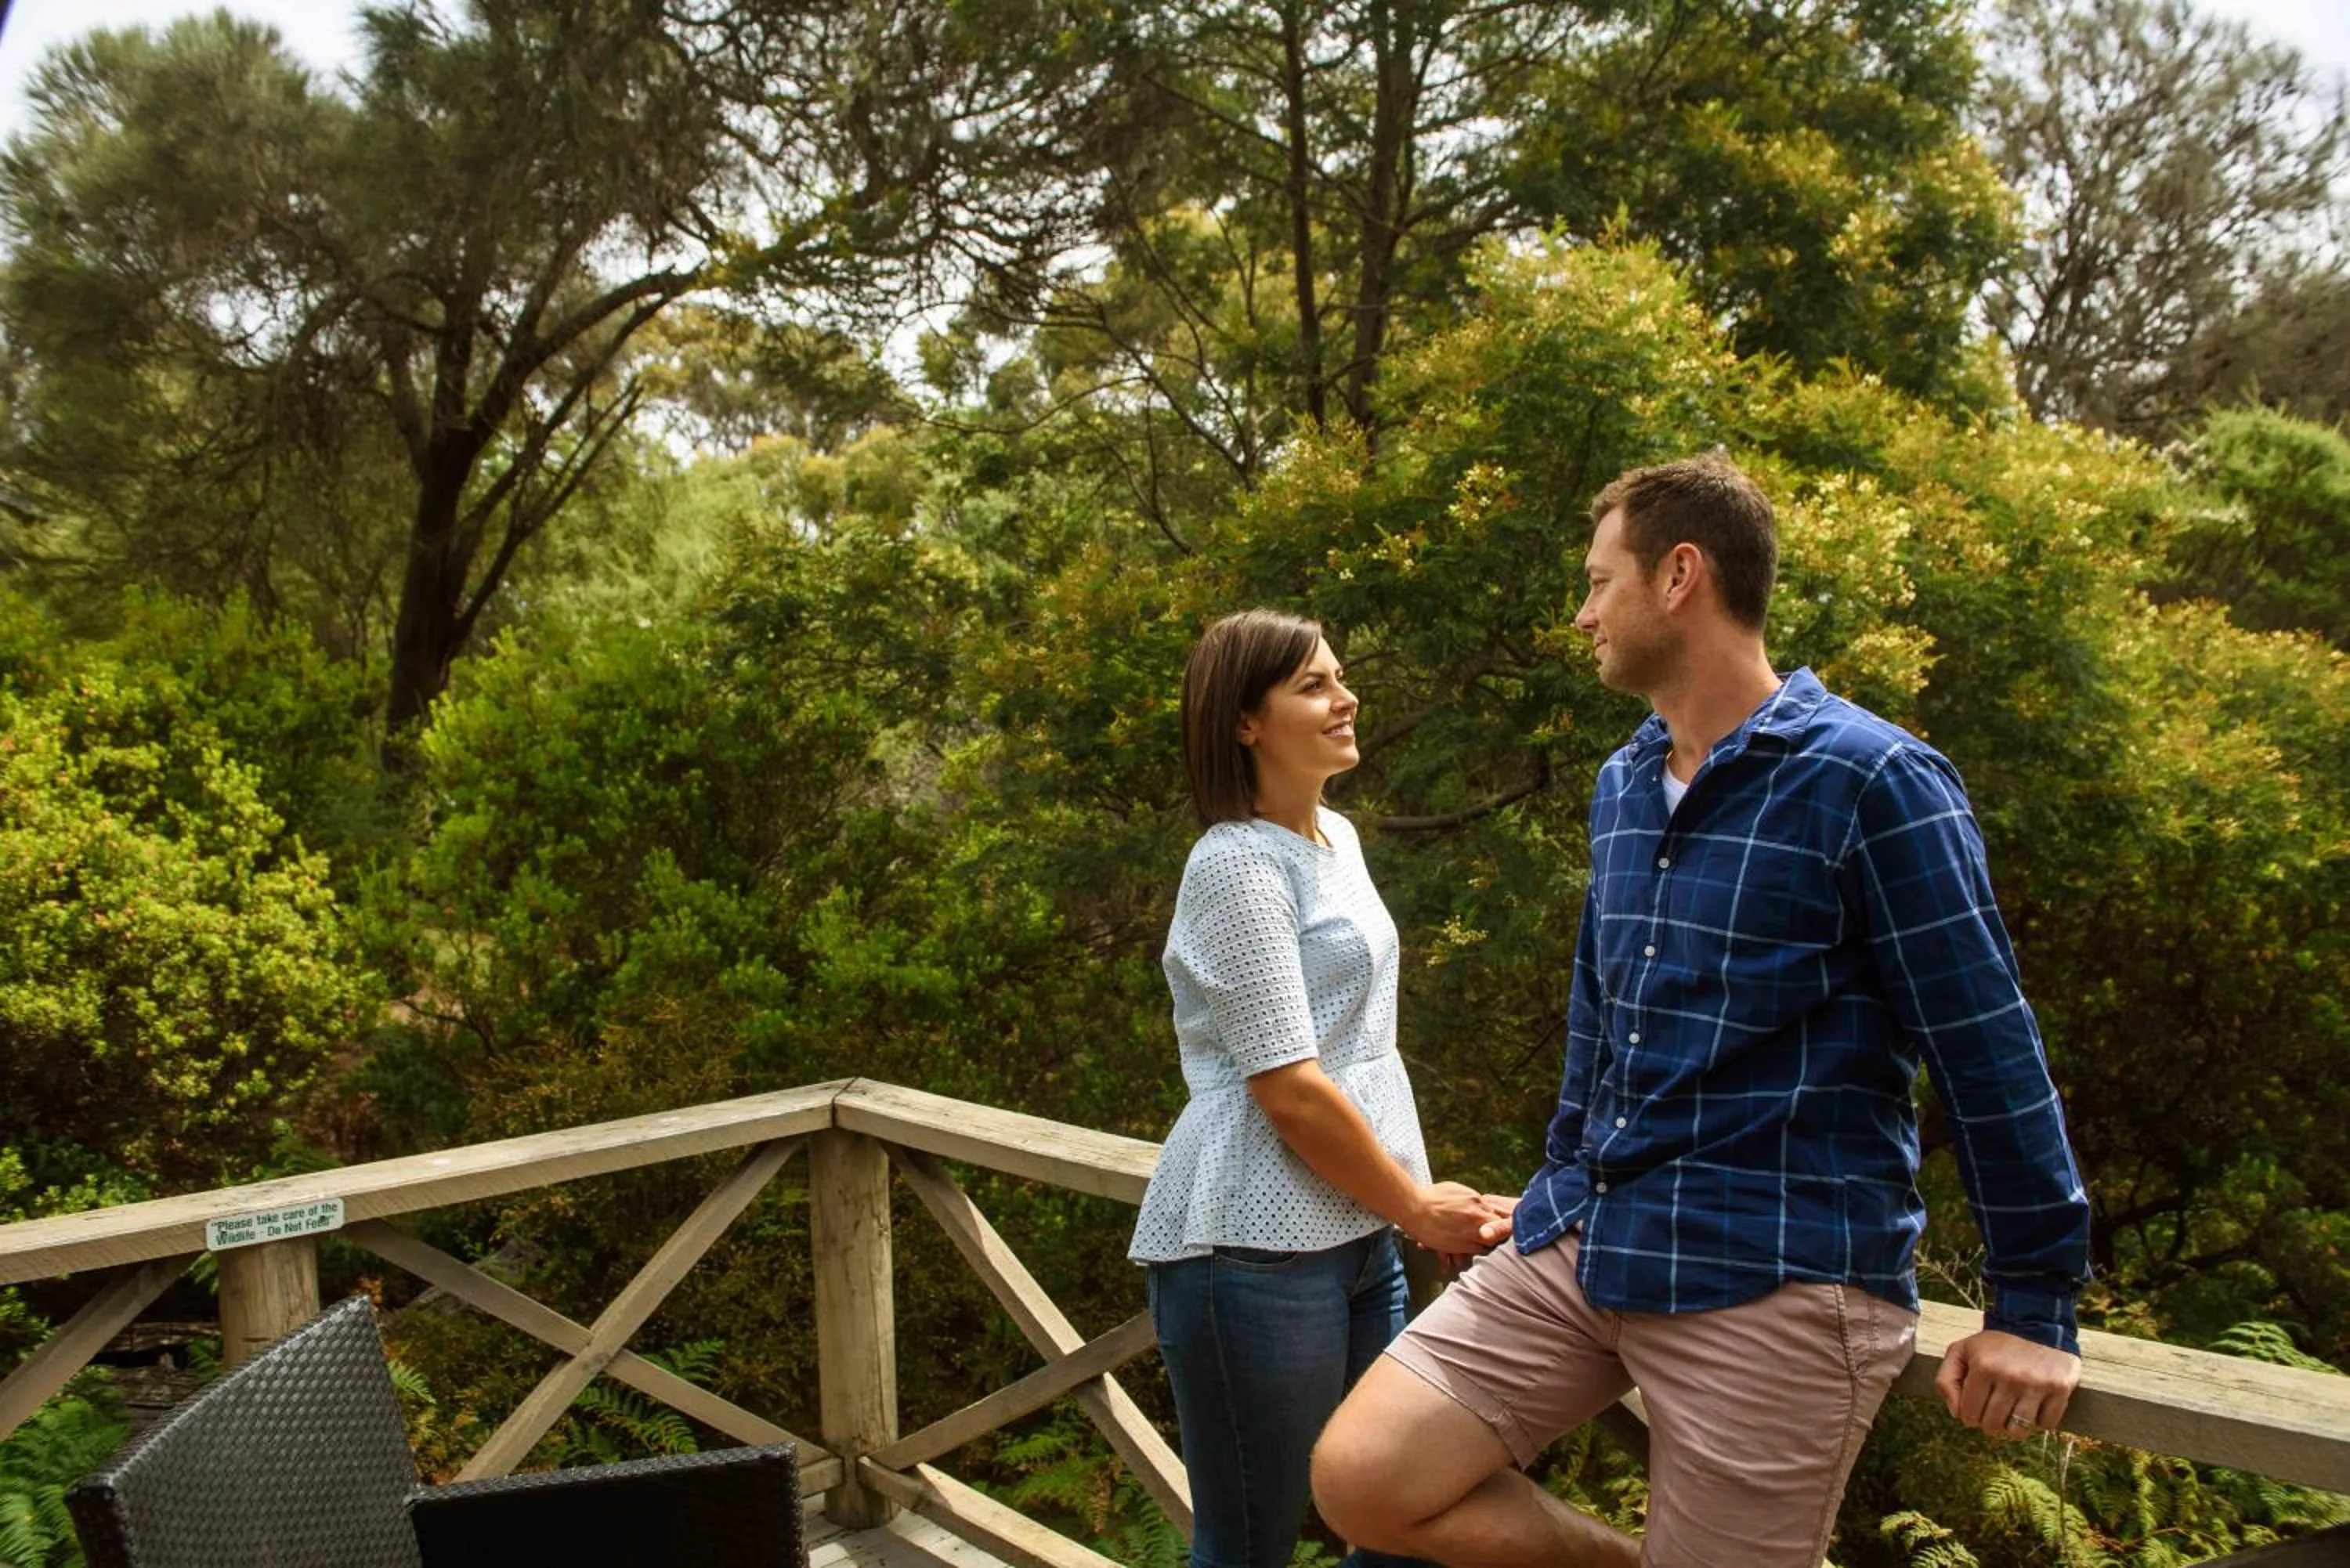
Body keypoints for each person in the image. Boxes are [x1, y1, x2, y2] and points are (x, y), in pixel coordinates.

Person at [1310, 455, 2095, 1567]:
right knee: (1362, 1477)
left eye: (1598, 582)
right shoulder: (1625, 781)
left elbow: (1987, 1050)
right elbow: (1603, 1013)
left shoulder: (1875, 779)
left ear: (1680, 576)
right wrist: (1559, 1181)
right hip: (1592, 1242)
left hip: (1776, 1272)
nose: (1583, 613)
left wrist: (2034, 1306)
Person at [1131, 609, 1517, 1568]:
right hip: (1251, 1253)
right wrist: (1418, 1205)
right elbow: (1292, 1087)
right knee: (1251, 1542)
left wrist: (1408, 1203)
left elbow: (1358, 1050)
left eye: (1339, 677)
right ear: (1244, 721)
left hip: (1359, 1232)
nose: (1345, 699)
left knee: (1394, 1515)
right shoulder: (1234, 863)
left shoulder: (1336, 837)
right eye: (1312, 685)